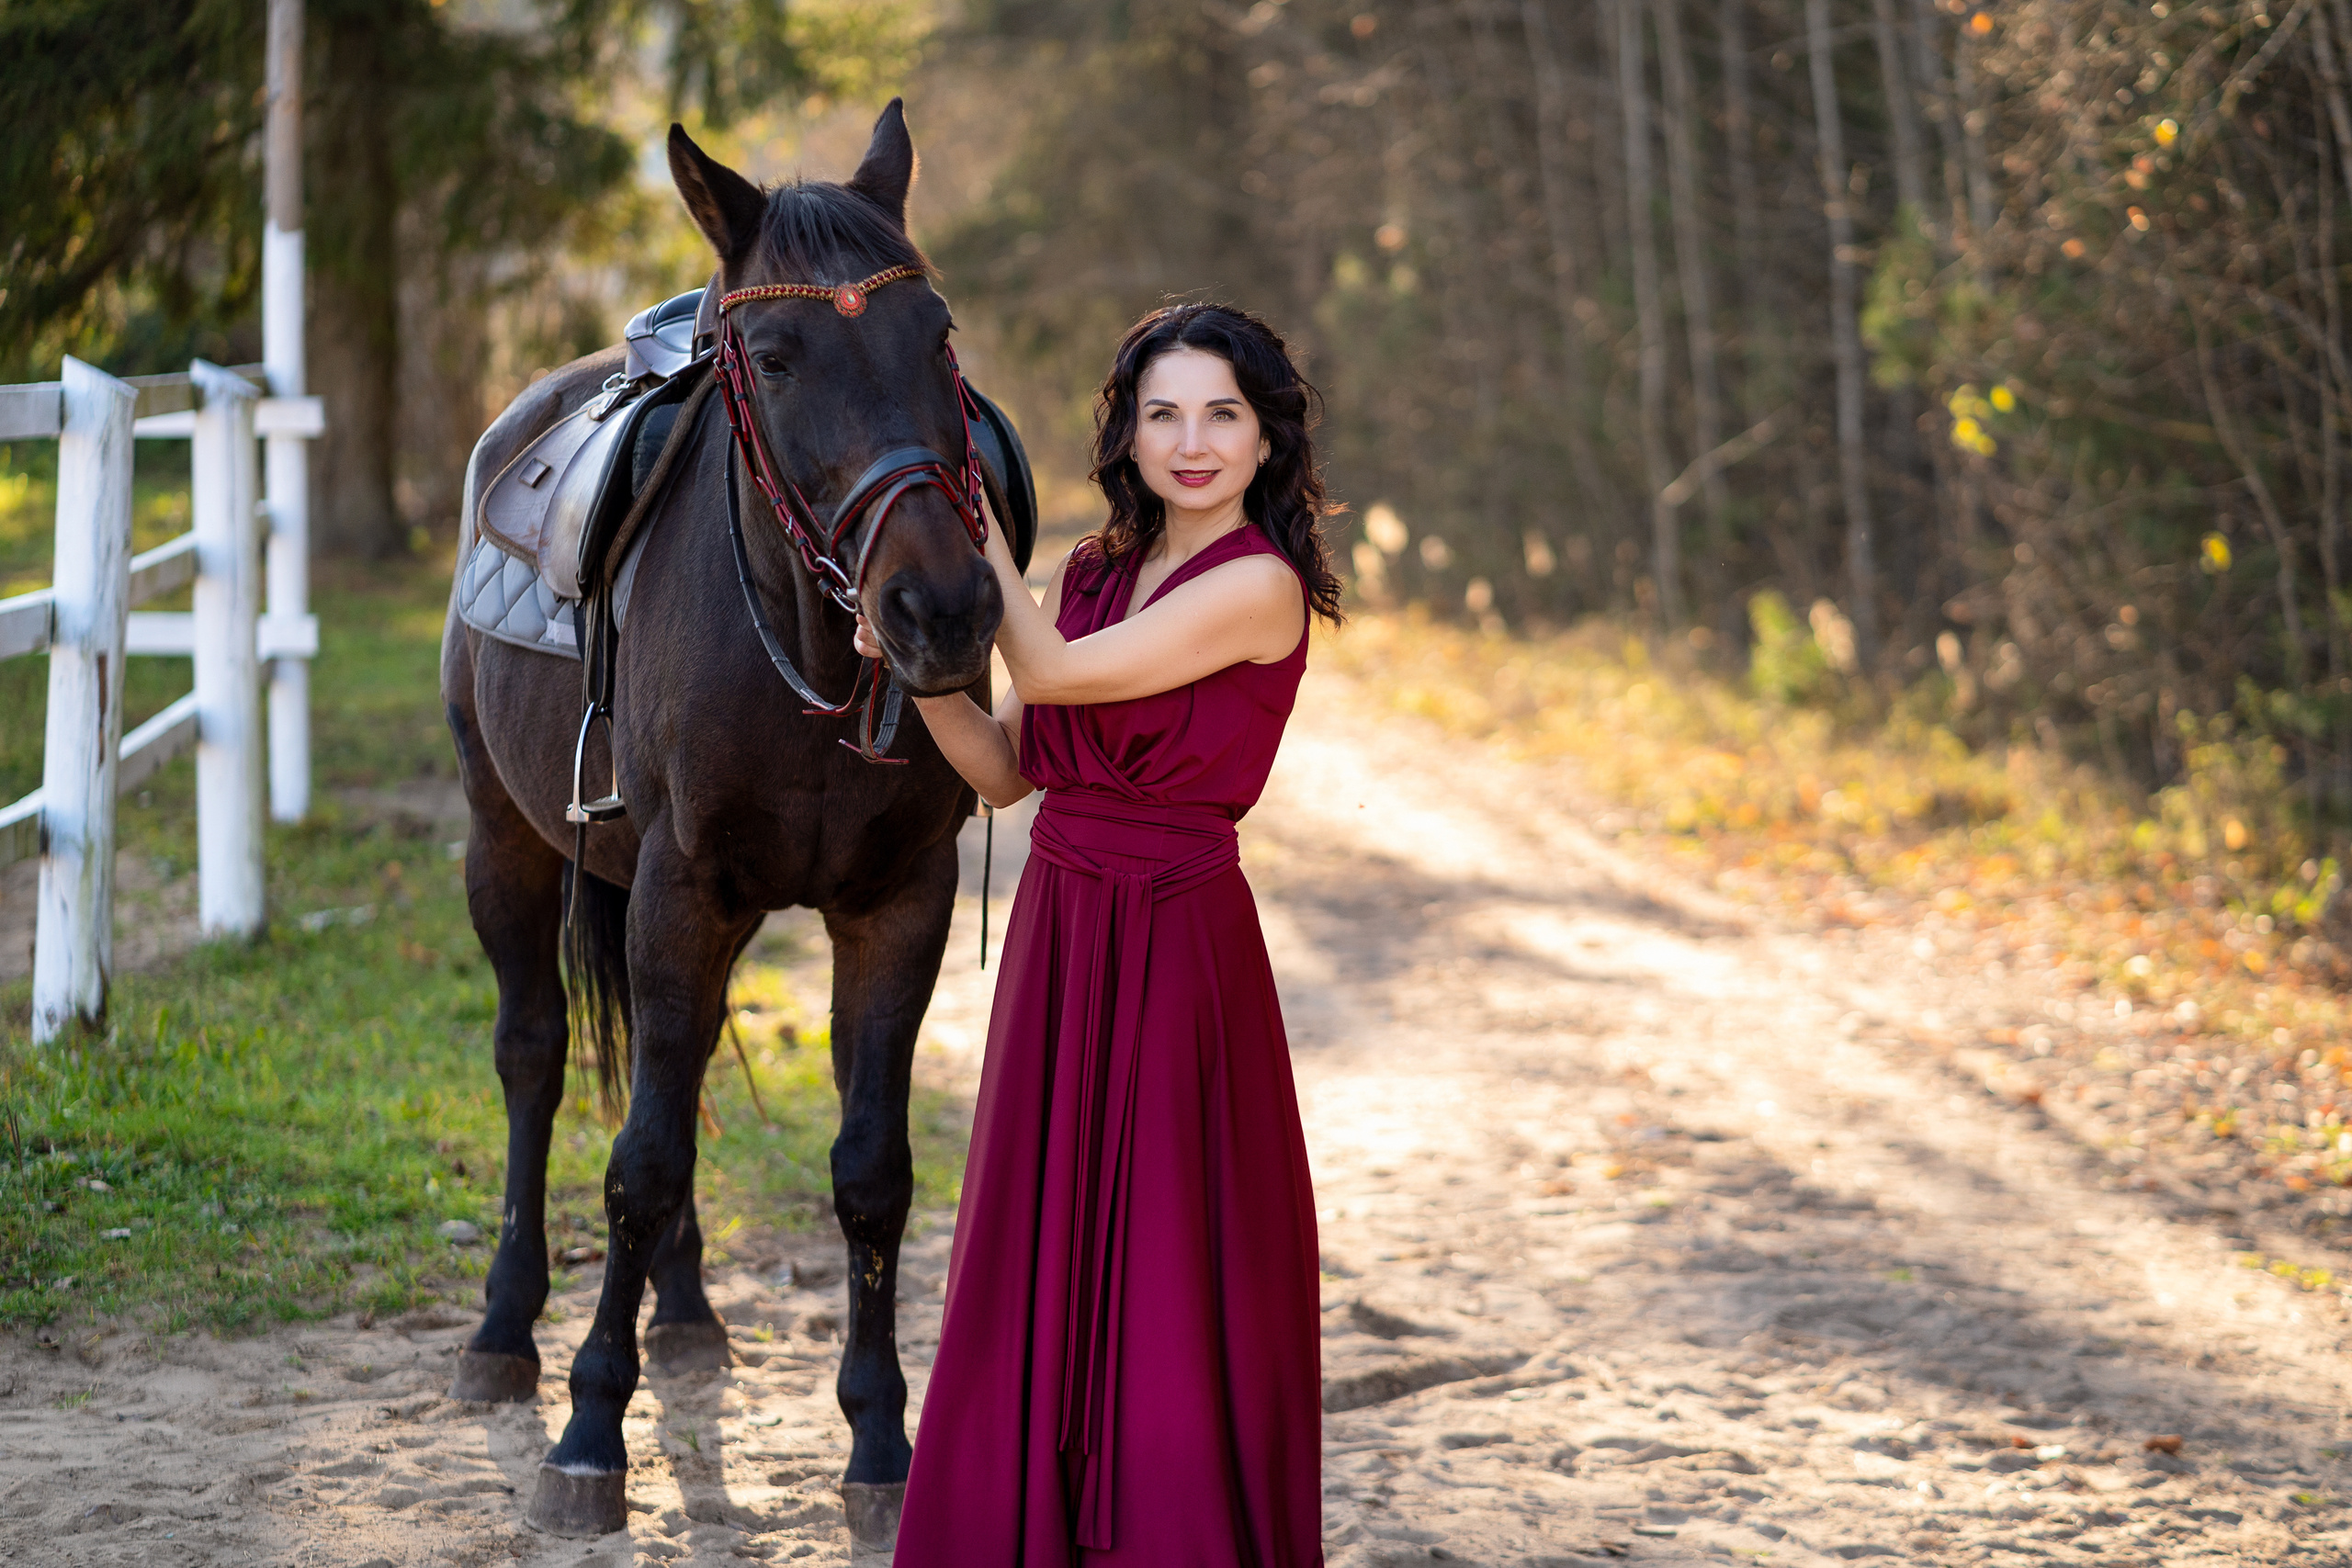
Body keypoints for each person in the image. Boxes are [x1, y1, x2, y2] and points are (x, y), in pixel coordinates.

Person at [872, 301, 1346, 1565]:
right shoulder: (1088, 575)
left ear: (1265, 438)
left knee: (1166, 1256)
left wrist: (968, 526)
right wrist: (921, 663)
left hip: (1180, 946)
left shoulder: (1259, 585)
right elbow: (1008, 771)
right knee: (1039, 1245)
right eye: (1163, 414)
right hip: (1062, 929)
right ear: (1127, 435)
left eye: (1222, 415)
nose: (1192, 443)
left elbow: (1061, 677)